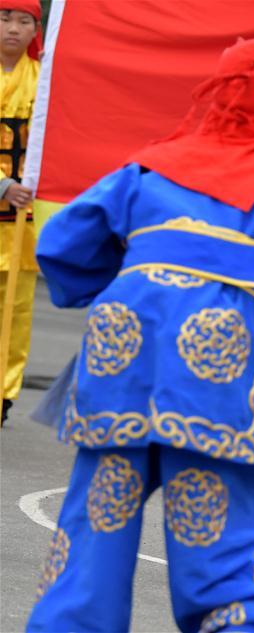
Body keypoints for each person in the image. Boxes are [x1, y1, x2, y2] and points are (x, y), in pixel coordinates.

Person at [26, 38, 254, 632]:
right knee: (219, 537)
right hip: (215, 368)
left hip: (119, 351)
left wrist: (127, 279)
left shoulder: (149, 165)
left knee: (95, 527)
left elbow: (62, 246)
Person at [0, 0, 42, 426]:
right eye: (5, 17)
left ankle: (4, 392)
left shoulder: (46, 80)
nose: (13, 28)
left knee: (16, 311)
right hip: (6, 197)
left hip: (21, 222)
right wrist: (2, 186)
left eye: (23, 21)